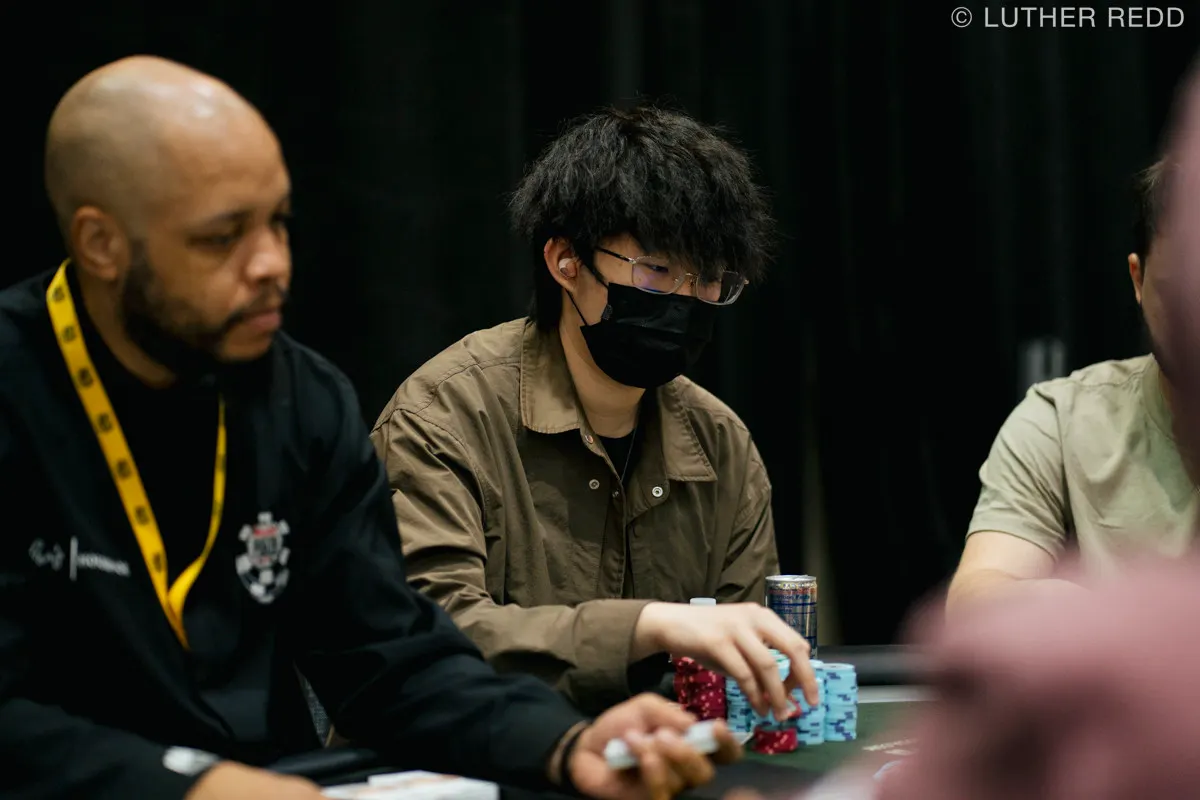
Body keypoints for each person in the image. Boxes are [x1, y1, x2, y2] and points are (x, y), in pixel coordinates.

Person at [0, 56, 741, 800]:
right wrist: (187, 786)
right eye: (223, 238)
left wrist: (562, 744)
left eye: (279, 222)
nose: (273, 264)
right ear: (101, 245)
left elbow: (389, 656)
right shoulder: (18, 386)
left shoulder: (302, 398)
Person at [370, 105, 817, 720]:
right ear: (566, 261)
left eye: (710, 279)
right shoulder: (445, 417)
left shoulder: (721, 444)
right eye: (657, 271)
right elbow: (427, 643)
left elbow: (740, 676)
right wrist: (647, 626)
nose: (687, 301)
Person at [946, 155, 1195, 612]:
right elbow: (973, 602)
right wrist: (1080, 617)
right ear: (1138, 279)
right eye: (1178, 293)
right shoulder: (1060, 422)